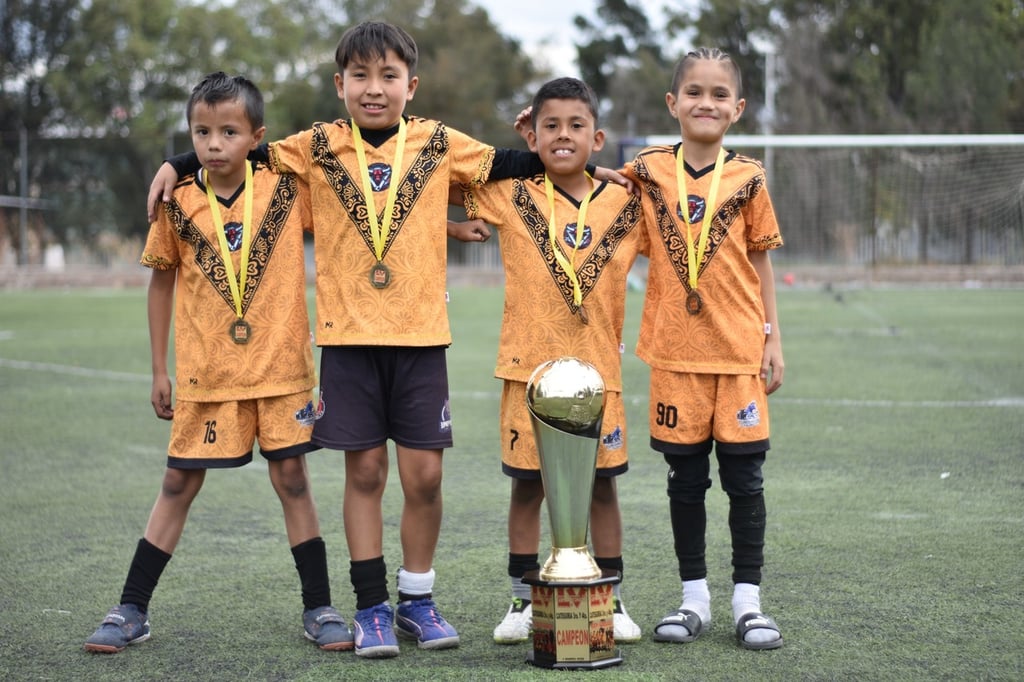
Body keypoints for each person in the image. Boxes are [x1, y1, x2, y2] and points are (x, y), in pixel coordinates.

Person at [146, 22, 629, 659]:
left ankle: (417, 600)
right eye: (361, 77)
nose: (375, 90)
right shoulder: (316, 146)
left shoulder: (438, 142)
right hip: (346, 343)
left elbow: (520, 163)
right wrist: (175, 163)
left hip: (423, 339)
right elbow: (237, 150)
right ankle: (371, 607)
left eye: (389, 76)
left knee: (425, 476)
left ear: (411, 84)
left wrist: (589, 163)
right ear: (340, 84)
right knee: (366, 472)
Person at [85, 72, 352, 654]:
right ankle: (131, 608)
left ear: (256, 136)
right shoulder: (175, 200)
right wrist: (160, 368)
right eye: (201, 132)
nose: (213, 143)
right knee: (178, 480)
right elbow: (159, 285)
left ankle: (320, 607)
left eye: (229, 131)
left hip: (282, 371)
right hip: (208, 374)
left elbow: (351, 218)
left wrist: (452, 225)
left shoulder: (286, 185)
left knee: (292, 479)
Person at [454, 77, 646, 645]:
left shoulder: (626, 201)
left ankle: (609, 599)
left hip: (597, 377)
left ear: (599, 137)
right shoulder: (510, 193)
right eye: (551, 126)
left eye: (576, 126)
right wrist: (519, 142)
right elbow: (439, 177)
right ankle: (521, 599)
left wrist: (630, 172)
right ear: (531, 134)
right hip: (527, 373)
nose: (564, 136)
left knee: (603, 489)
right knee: (528, 487)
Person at [621, 47, 785, 650]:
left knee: (745, 482)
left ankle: (749, 603)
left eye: (719, 94)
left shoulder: (749, 177)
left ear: (737, 109)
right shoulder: (646, 171)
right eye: (694, 91)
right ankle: (694, 599)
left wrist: (772, 339)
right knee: (685, 484)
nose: (706, 103)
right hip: (674, 354)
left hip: (739, 353)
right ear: (673, 103)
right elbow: (609, 208)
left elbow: (761, 261)